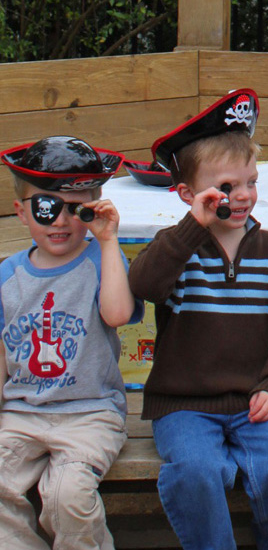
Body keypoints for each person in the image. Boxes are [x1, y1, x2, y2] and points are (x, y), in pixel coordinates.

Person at [127, 90, 268, 550]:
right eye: (228, 187)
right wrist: (190, 229)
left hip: (255, 402)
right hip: (183, 406)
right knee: (195, 472)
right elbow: (145, 285)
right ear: (188, 195)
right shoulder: (176, 248)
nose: (244, 195)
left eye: (251, 182)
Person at [0, 135, 143, 550]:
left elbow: (118, 314)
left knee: (67, 495)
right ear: (21, 212)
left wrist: (108, 240)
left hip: (90, 411)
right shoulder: (8, 276)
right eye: (47, 208)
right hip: (22, 411)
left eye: (76, 209)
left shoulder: (101, 259)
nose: (60, 221)